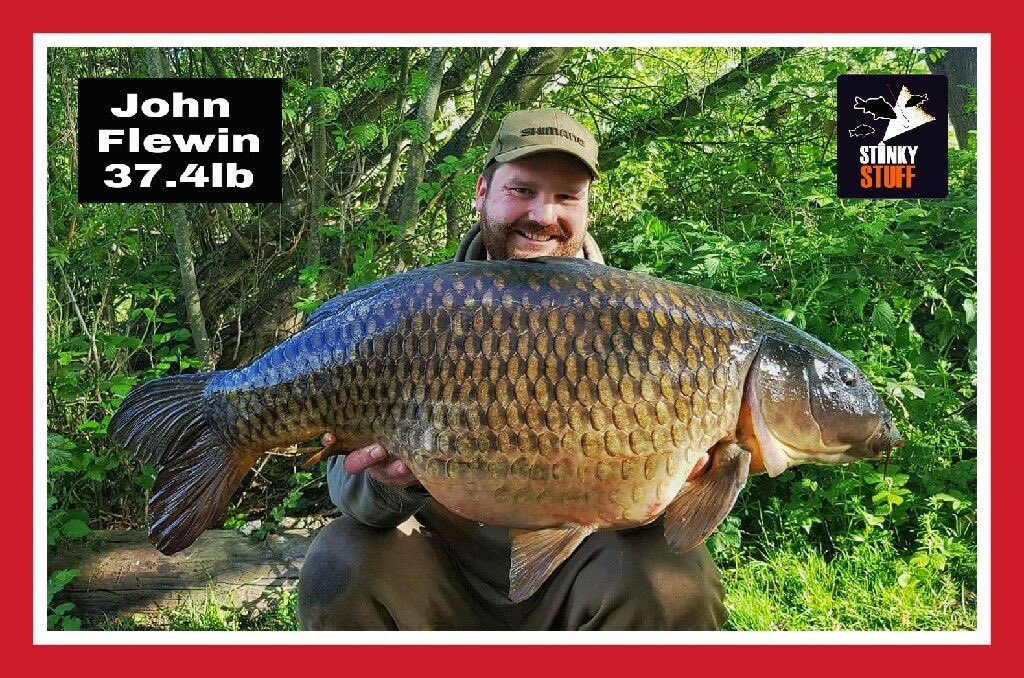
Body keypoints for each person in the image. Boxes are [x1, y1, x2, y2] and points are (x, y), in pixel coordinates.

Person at [297, 108, 726, 631]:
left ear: (586, 208)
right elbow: (350, 496)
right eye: (522, 190)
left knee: (675, 581)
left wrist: (682, 481)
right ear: (482, 192)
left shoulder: (648, 322)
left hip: (585, 566)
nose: (543, 215)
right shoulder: (413, 312)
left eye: (566, 196)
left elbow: (686, 515)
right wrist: (395, 483)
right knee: (340, 560)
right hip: (441, 565)